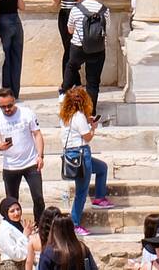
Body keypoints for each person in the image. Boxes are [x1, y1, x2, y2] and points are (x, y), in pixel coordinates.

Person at [60, 87, 112, 235]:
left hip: (71, 154)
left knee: (102, 167)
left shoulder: (65, 117)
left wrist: (87, 121)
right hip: (82, 155)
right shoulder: (79, 117)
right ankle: (74, 224)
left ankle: (99, 198)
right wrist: (93, 127)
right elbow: (87, 137)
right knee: (81, 192)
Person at [0, 87, 47, 224]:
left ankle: (40, 226)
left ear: (14, 101)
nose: (7, 109)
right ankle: (14, 227)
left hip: (30, 163)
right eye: (3, 107)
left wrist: (40, 156)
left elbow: (37, 134)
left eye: (9, 105)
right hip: (10, 166)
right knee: (11, 201)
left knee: (38, 197)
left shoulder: (27, 113)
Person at [64, 0, 110, 108]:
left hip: (78, 47)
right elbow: (107, 29)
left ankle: (64, 98)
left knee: (71, 67)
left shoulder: (76, 9)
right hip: (98, 49)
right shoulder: (105, 10)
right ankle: (90, 111)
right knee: (93, 81)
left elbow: (70, 29)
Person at [55, 0, 87, 73]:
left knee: (74, 47)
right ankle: (70, 78)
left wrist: (82, 0)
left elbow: (89, 0)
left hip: (77, 16)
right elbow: (57, 2)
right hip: (64, 15)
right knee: (67, 47)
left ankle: (70, 79)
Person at [0, 0, 25, 97]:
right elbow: (22, 6)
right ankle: (16, 92)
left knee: (5, 59)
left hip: (3, 22)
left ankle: (7, 91)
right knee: (17, 58)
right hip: (16, 22)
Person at [0, 198, 32, 270]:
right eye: (12, 211)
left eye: (18, 209)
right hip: (11, 266)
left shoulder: (19, 225)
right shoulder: (4, 229)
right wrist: (25, 236)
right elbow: (16, 254)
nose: (16, 213)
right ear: (6, 213)